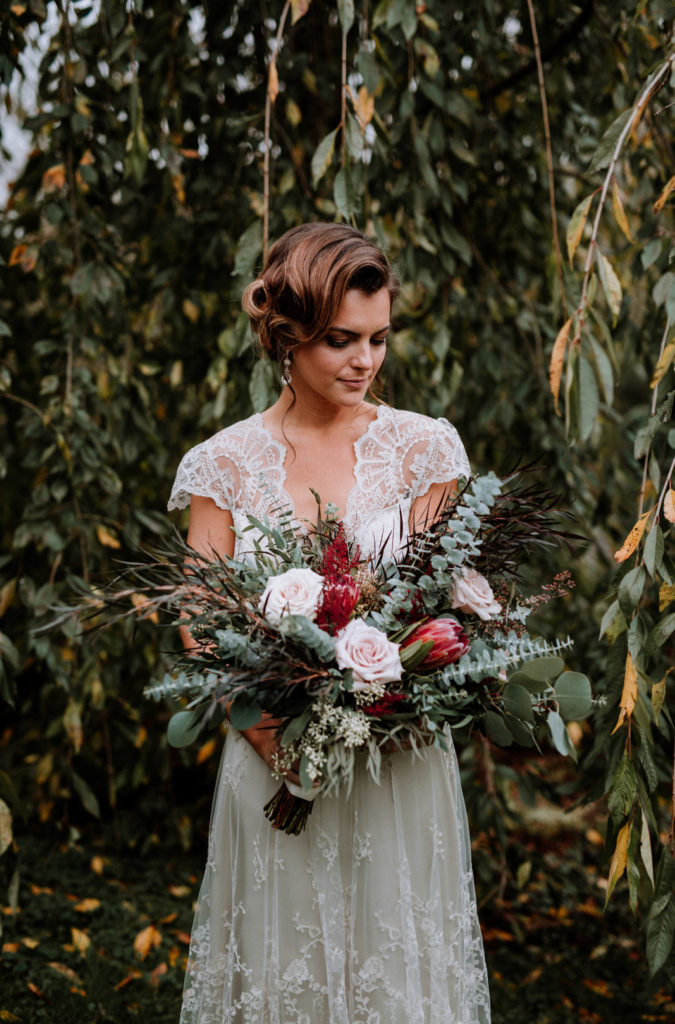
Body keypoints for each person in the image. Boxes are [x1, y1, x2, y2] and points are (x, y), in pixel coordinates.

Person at [168, 222, 491, 1023]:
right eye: (340, 340)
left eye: (379, 338)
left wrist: (387, 701)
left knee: (396, 969)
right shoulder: (223, 463)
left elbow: (439, 602)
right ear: (286, 337)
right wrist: (278, 742)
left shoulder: (423, 448)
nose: (365, 361)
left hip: (398, 764)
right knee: (287, 974)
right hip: (273, 755)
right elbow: (201, 621)